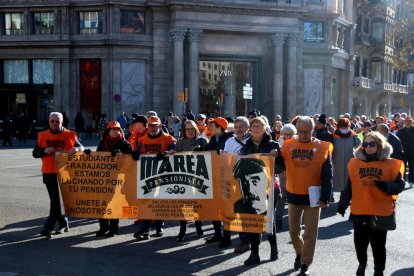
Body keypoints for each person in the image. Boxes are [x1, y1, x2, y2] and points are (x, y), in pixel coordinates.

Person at [337, 131, 405, 276]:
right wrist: (343, 203)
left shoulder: (391, 164)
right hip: (359, 210)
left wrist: (386, 186)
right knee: (360, 245)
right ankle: (362, 263)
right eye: (365, 144)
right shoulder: (355, 163)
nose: (368, 147)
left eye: (371, 144)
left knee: (378, 246)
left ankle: (378, 271)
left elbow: (399, 185)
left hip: (380, 211)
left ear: (379, 145)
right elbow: (349, 186)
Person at [275, 116, 333, 275]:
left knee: (310, 233)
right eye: (300, 131)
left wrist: (325, 197)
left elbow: (328, 174)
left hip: (313, 196)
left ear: (313, 130)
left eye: (306, 132)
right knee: (293, 231)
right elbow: (279, 166)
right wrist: (274, 156)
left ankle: (305, 263)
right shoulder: (287, 145)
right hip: (293, 194)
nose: (303, 135)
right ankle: (300, 253)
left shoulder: (322, 147)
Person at [32, 112, 84, 238]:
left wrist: (76, 149)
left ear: (62, 122)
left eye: (57, 121)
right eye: (52, 121)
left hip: (65, 173)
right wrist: (44, 151)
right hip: (49, 172)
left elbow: (81, 147)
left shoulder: (69, 135)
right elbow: (35, 153)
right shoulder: (43, 136)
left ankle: (48, 228)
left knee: (56, 201)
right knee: (55, 201)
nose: (55, 123)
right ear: (49, 122)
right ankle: (63, 223)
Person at [239, 117, 279, 266]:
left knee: (268, 221)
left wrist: (276, 157)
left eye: (258, 126)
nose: (255, 128)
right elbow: (241, 164)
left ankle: (273, 248)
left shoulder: (272, 145)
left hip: (270, 188)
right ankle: (254, 254)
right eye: (253, 126)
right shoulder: (246, 146)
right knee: (254, 222)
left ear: (265, 128)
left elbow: (281, 167)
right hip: (252, 189)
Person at [132, 116, 176, 240]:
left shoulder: (168, 138)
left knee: (160, 200)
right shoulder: (143, 139)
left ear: (160, 126)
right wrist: (135, 153)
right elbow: (138, 151)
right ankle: (146, 229)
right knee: (147, 200)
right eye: (150, 125)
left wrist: (166, 153)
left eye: (154, 125)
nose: (152, 127)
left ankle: (159, 227)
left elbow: (175, 149)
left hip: (163, 173)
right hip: (147, 173)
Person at [93, 121, 132, 237]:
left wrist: (121, 153)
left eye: (118, 129)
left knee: (114, 203)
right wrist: (88, 154)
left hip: (118, 178)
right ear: (108, 131)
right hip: (104, 178)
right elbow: (97, 158)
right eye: (113, 129)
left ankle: (114, 228)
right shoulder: (102, 143)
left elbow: (130, 158)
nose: (116, 131)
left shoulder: (124, 143)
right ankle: (103, 227)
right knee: (102, 203)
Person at [174, 120, 208, 241]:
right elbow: (174, 158)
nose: (190, 131)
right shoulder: (180, 142)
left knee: (197, 205)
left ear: (196, 129)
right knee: (182, 206)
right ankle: (182, 230)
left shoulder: (203, 141)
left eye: (192, 129)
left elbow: (210, 157)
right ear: (184, 130)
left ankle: (199, 228)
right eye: (187, 129)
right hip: (183, 178)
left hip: (199, 178)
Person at [223, 116, 251, 253]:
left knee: (250, 211)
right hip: (233, 180)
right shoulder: (229, 141)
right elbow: (224, 158)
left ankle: (252, 238)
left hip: (250, 181)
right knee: (238, 211)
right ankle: (243, 241)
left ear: (247, 127)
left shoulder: (253, 140)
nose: (239, 129)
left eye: (241, 127)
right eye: (237, 127)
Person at [204, 117, 234, 247]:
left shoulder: (228, 139)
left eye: (213, 125)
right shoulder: (213, 138)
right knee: (215, 206)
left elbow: (222, 153)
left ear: (220, 127)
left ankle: (227, 237)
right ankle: (218, 233)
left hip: (225, 177)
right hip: (214, 176)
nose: (210, 128)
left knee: (226, 208)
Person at [275, 123, 297, 231]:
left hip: (295, 173)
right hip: (283, 172)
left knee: (293, 197)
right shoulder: (279, 142)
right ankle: (278, 220)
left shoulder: (298, 142)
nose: (288, 136)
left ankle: (292, 221)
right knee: (282, 197)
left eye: (290, 134)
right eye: (286, 134)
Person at [332, 118, 361, 195]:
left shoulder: (353, 135)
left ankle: (347, 196)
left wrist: (357, 135)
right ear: (338, 127)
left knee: (349, 180)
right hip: (337, 162)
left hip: (350, 161)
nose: (345, 129)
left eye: (346, 127)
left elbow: (359, 146)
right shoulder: (334, 136)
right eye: (343, 128)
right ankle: (332, 195)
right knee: (337, 180)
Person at [397, 116, 414, 188]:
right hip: (403, 152)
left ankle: (411, 181)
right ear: (404, 122)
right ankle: (402, 181)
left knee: (412, 167)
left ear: (412, 122)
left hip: (412, 151)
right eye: (407, 122)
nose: (408, 123)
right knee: (403, 167)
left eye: (410, 121)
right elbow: (398, 142)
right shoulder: (400, 131)